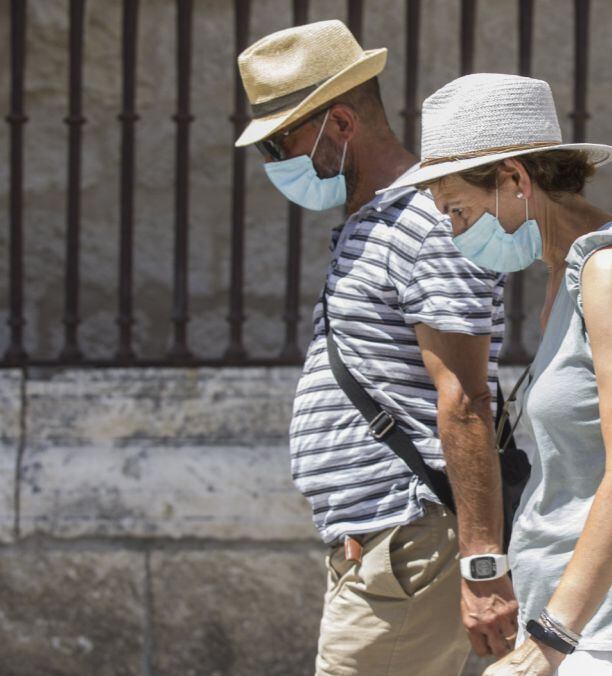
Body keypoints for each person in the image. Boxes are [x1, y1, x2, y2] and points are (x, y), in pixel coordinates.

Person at [381, 73, 612, 675]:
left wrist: (550, 639)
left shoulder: (611, 269)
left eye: (460, 210)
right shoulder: (569, 274)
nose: (455, 232)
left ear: (516, 180)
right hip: (595, 615)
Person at [235, 22, 519, 675]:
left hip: (411, 537)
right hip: (389, 546)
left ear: (339, 124)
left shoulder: (422, 223)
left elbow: (467, 397)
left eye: (281, 142)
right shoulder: (381, 224)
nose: (274, 162)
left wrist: (482, 564)